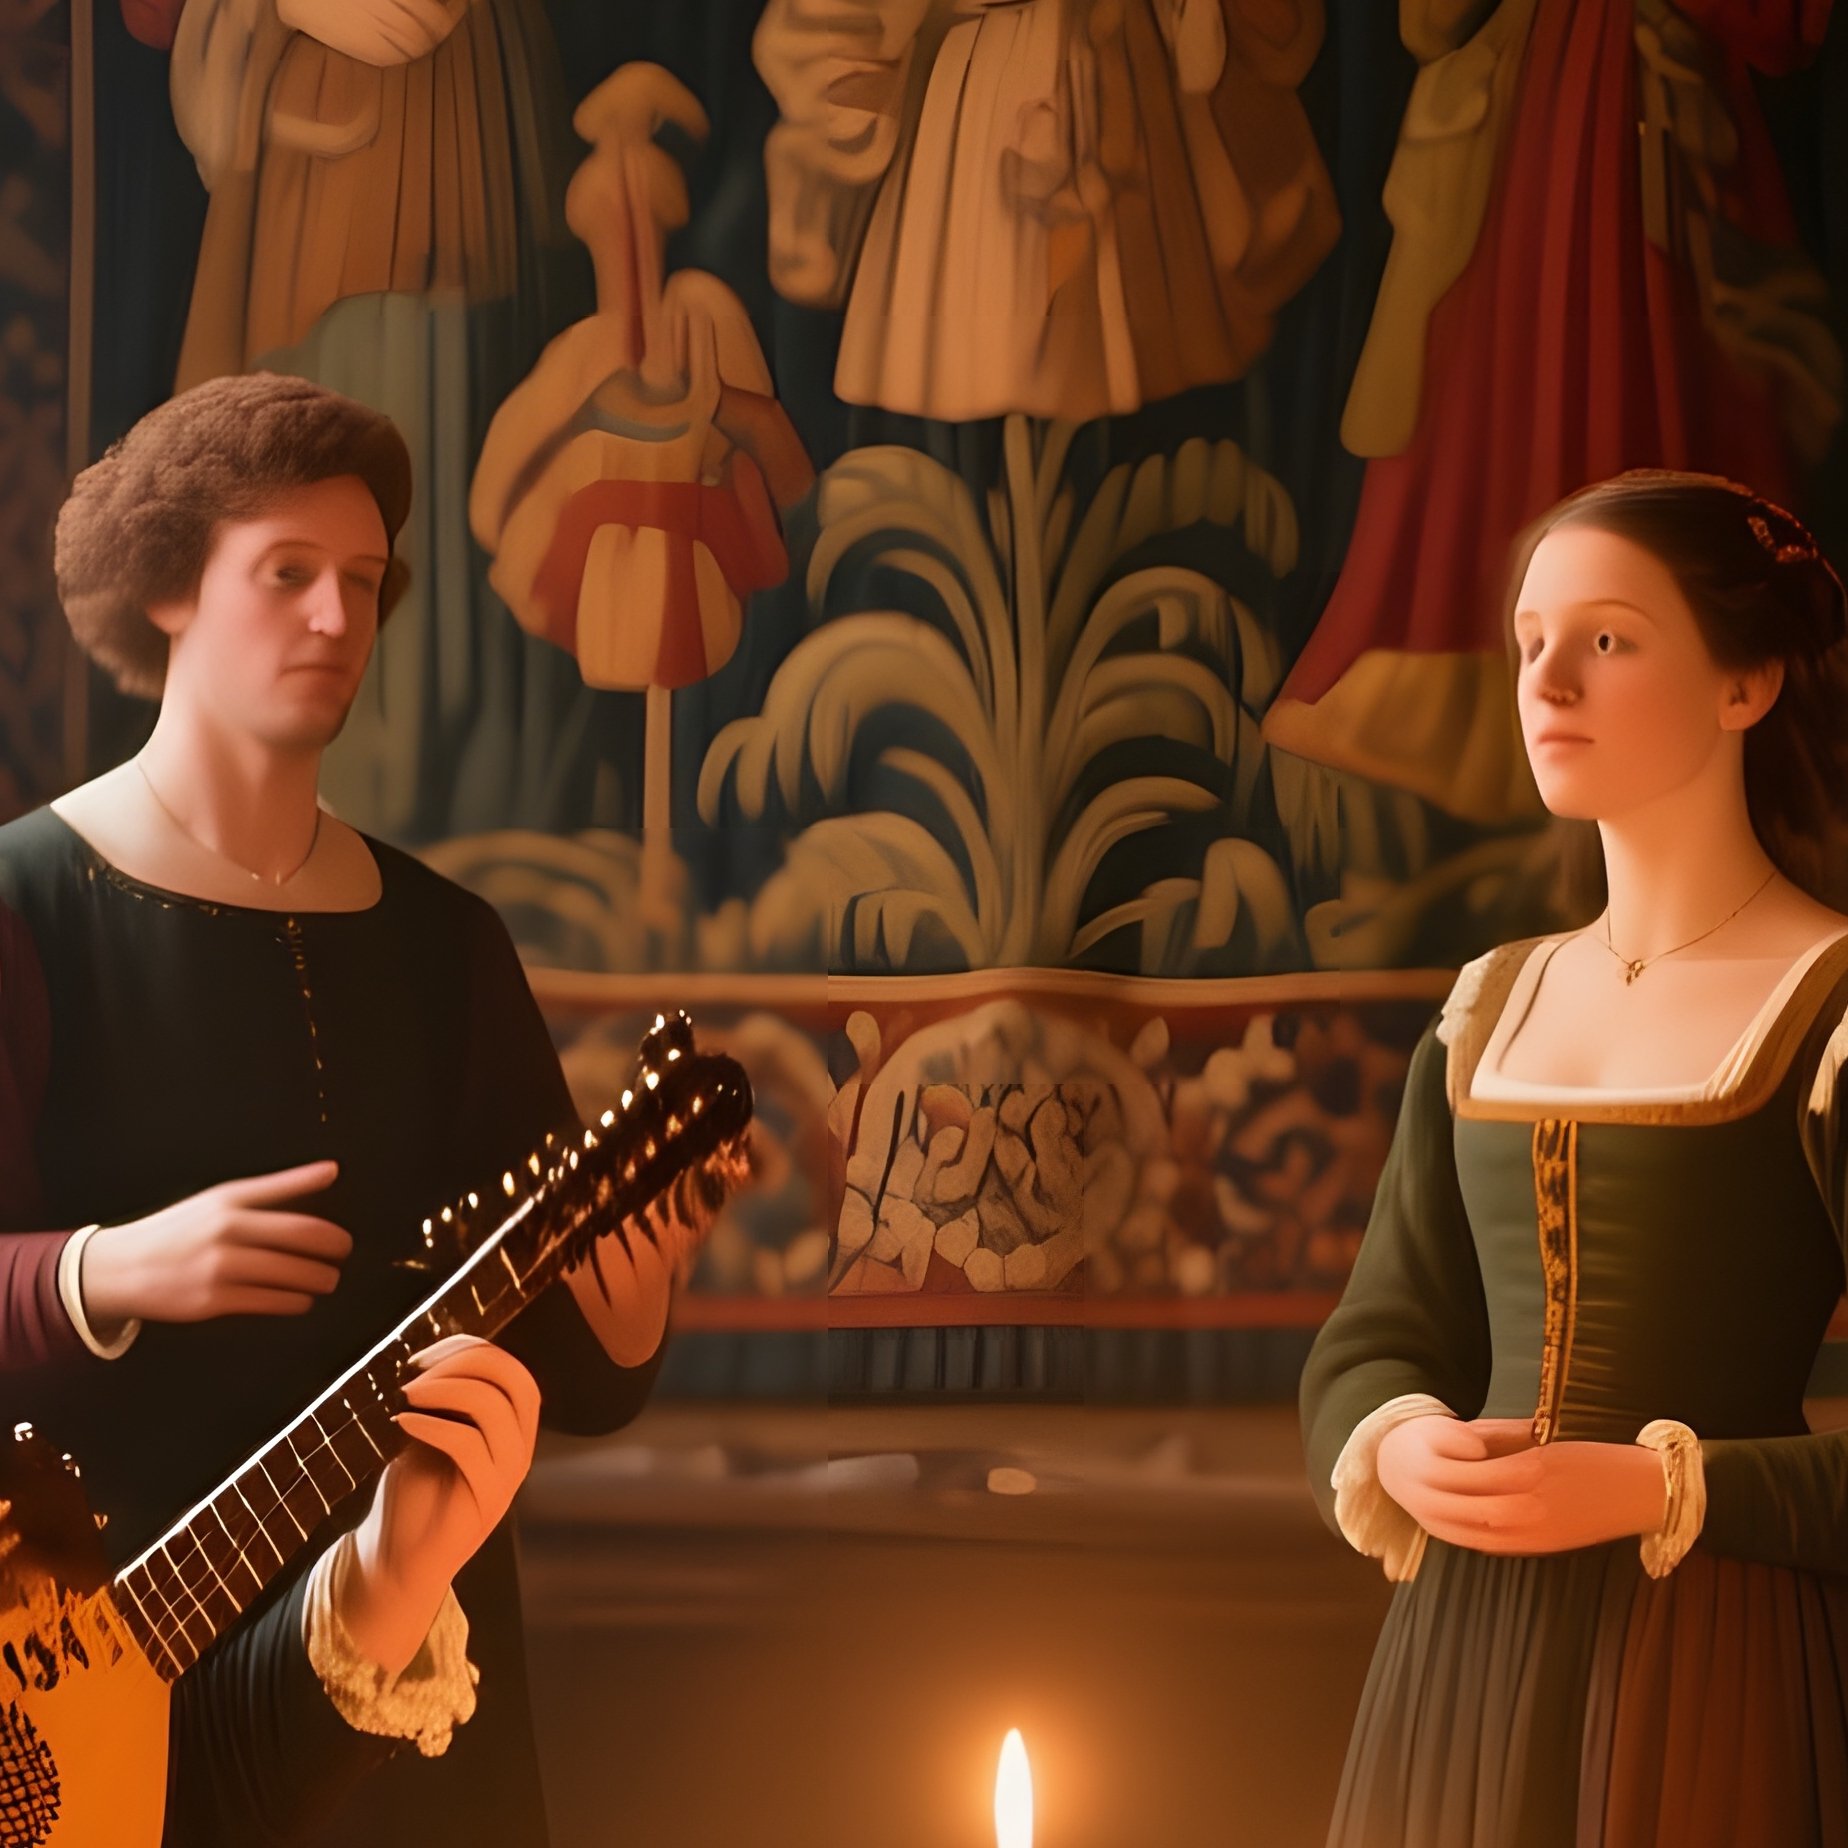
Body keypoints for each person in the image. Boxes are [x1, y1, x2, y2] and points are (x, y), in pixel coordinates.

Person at [0, 370, 702, 1845]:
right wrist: (101, 1270)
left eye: (364, 584)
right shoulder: (22, 906)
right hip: (94, 1689)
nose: (337, 620)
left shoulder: (448, 942)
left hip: (416, 1679)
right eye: (290, 575)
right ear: (172, 588)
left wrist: (623, 1321)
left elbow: (554, 1375)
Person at [1300, 469, 1848, 1847]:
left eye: (1607, 640)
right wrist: (1403, 1444)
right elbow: (1375, 1335)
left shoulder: (1831, 1007)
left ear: (1747, 683)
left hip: (1711, 1656)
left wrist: (1669, 1485)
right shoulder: (1491, 1003)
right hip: (1456, 1663)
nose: (1549, 680)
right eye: (1531, 640)